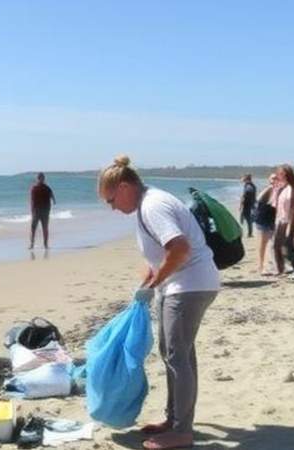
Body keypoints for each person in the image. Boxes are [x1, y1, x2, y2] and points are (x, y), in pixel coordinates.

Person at [98, 156, 220, 450]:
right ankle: (174, 420)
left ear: (125, 187)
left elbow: (180, 248)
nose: (112, 208)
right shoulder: (145, 204)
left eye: (111, 200)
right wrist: (149, 280)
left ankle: (182, 431)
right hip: (182, 285)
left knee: (177, 357)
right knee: (175, 354)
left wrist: (157, 282)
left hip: (189, 286)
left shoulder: (152, 205)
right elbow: (158, 256)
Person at [272, 164, 294, 279]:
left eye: (281, 174)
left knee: (288, 246)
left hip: (290, 222)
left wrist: (290, 226)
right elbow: (276, 205)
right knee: (276, 246)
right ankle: (281, 270)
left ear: (287, 174)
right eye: (278, 173)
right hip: (281, 220)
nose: (279, 176)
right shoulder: (284, 187)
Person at [253, 173, 278, 275]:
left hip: (273, 219)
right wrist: (271, 187)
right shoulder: (269, 189)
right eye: (273, 178)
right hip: (263, 219)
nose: (275, 180)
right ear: (269, 180)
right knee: (263, 244)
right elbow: (258, 199)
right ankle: (261, 266)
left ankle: (275, 265)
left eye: (276, 178)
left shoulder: (279, 190)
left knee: (275, 244)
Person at [29, 172, 57, 249]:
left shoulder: (46, 188)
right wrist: (32, 210)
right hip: (37, 211)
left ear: (43, 179)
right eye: (39, 178)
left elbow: (53, 197)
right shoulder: (34, 188)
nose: (40, 179)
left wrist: (53, 201)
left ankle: (45, 244)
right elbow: (31, 200)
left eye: (41, 178)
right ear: (37, 179)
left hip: (44, 211)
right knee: (33, 228)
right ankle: (32, 244)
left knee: (44, 228)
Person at [239, 174, 257, 238]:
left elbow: (244, 197)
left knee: (244, 220)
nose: (242, 180)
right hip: (251, 206)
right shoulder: (252, 185)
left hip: (247, 206)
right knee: (248, 220)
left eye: (243, 179)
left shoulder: (248, 187)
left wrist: (240, 206)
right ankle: (249, 233)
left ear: (246, 179)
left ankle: (246, 233)